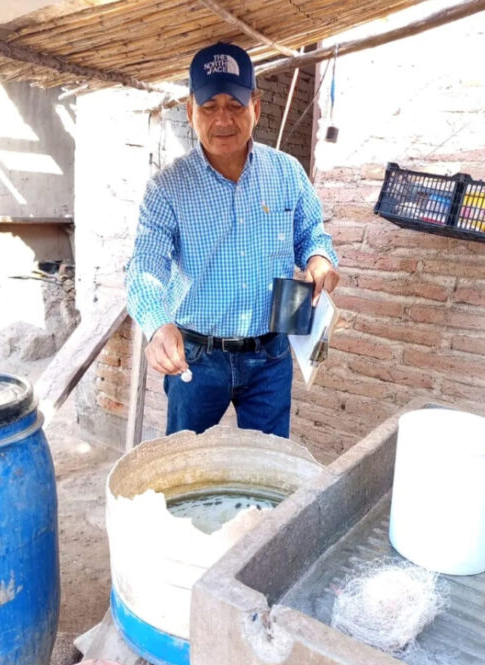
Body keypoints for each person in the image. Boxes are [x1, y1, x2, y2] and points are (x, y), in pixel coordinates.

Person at [125, 41, 340, 439]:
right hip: (198, 357)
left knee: (267, 466)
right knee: (186, 467)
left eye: (235, 105)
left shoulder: (287, 173)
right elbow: (144, 268)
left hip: (270, 356)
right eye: (209, 106)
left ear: (255, 108)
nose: (222, 119)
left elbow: (312, 234)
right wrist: (157, 326)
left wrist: (319, 259)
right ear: (190, 110)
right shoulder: (167, 188)